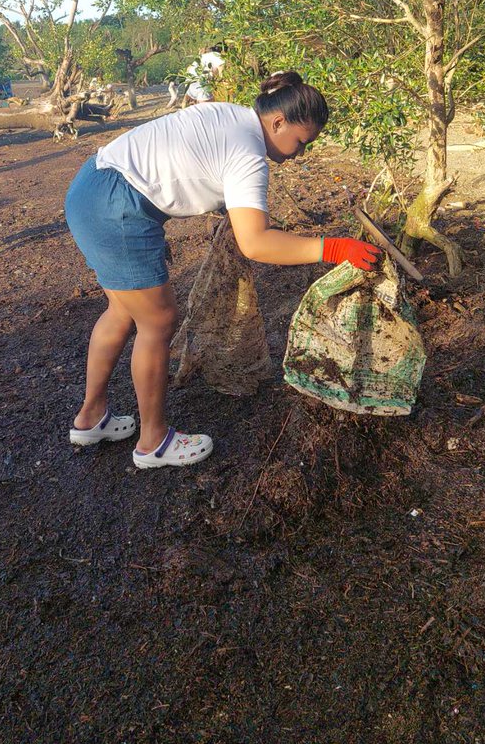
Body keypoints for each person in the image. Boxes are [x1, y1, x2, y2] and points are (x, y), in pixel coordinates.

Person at [65, 71, 381, 470]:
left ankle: (91, 419)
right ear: (278, 122)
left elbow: (190, 162)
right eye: (301, 141)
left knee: (123, 311)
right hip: (118, 207)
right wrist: (335, 247)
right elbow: (257, 243)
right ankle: (153, 443)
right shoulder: (249, 154)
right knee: (159, 321)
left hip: (91, 186)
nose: (300, 153)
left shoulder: (229, 114)